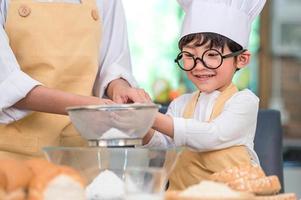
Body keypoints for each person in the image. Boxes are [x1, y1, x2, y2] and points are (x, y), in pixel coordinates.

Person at [0, 0, 150, 159]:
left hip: (82, 156)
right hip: (13, 157)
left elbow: (113, 64)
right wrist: (87, 106)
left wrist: (120, 88)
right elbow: (7, 83)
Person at [143, 0, 266, 190]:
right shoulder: (180, 104)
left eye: (212, 55)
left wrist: (150, 117)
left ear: (241, 59)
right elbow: (161, 146)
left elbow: (211, 136)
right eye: (189, 56)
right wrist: (139, 123)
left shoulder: (244, 102)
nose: (199, 65)